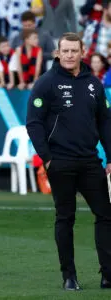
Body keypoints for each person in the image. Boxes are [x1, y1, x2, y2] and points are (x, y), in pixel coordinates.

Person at [26, 32, 111, 291]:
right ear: (58, 53)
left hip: (90, 161)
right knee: (65, 218)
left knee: (106, 215)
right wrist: (48, 159)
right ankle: (69, 277)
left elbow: (105, 122)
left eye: (75, 50)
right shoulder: (46, 83)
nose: (70, 55)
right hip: (60, 162)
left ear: (82, 52)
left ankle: (108, 274)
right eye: (66, 51)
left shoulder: (93, 83)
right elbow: (33, 123)